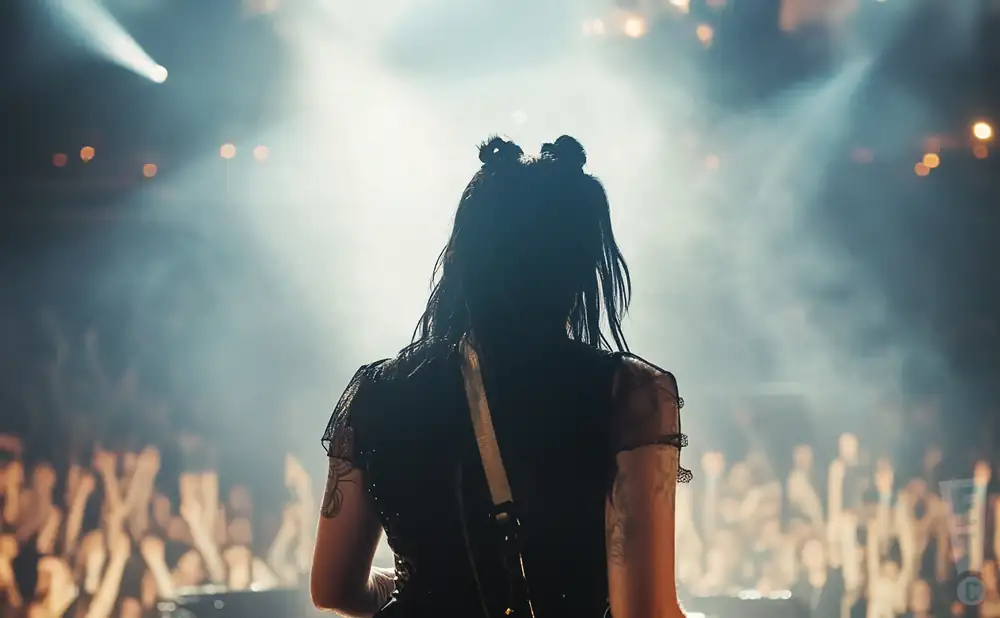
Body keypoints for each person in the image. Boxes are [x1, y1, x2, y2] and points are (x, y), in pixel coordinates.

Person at [309, 135, 691, 618]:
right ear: (581, 266)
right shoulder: (631, 394)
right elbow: (646, 611)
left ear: (464, 260)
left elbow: (333, 590)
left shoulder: (377, 393)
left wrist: (416, 584)